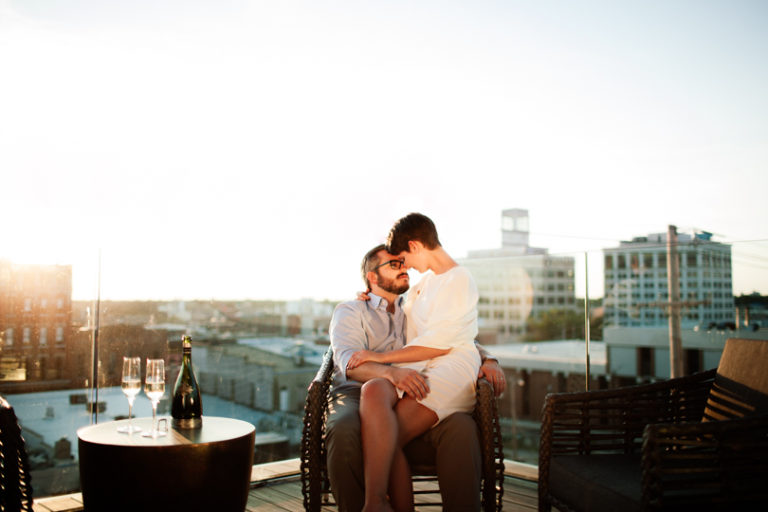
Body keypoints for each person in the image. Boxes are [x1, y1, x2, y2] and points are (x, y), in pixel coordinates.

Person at [325, 243, 505, 512]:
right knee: (343, 429)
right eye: (394, 264)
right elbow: (349, 364)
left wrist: (487, 357)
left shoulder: (413, 305)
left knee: (461, 426)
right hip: (355, 391)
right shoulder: (351, 311)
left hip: (406, 390)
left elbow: (450, 335)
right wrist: (391, 373)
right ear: (372, 277)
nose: (404, 268)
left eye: (403, 262)